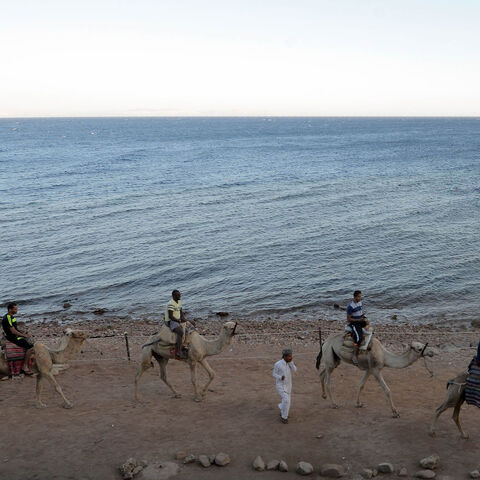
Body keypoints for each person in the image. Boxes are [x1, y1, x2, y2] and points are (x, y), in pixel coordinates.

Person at [2, 302, 34, 375]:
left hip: (14, 335)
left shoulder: (11, 317)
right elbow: (13, 331)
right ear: (10, 309)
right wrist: (24, 335)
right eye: (15, 309)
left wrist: (21, 331)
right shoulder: (7, 318)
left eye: (17, 309)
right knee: (30, 346)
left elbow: (14, 328)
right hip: (13, 337)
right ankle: (25, 366)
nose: (17, 310)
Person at [273, 348, 297, 424]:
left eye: (291, 356)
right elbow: (274, 374)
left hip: (289, 386)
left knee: (287, 402)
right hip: (280, 386)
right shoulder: (278, 364)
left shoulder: (290, 363)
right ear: (285, 356)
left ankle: (281, 407)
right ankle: (284, 417)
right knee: (286, 400)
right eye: (289, 356)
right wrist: (280, 377)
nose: (291, 357)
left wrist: (291, 363)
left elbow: (295, 370)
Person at [347, 290, 369, 366]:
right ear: (355, 297)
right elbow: (349, 319)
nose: (360, 298)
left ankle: (366, 347)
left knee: (369, 325)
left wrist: (363, 316)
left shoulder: (360, 302)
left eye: (361, 296)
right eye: (359, 296)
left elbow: (360, 312)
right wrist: (358, 320)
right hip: (354, 323)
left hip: (360, 320)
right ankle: (354, 355)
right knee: (358, 338)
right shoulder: (350, 306)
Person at [165, 290, 188, 359]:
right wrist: (178, 321)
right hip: (171, 321)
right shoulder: (171, 304)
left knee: (192, 323)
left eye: (180, 295)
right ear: (173, 296)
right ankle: (178, 351)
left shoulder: (179, 301)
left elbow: (181, 312)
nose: (180, 296)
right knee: (180, 331)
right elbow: (170, 316)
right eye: (178, 295)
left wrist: (184, 319)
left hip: (177, 319)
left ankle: (184, 344)